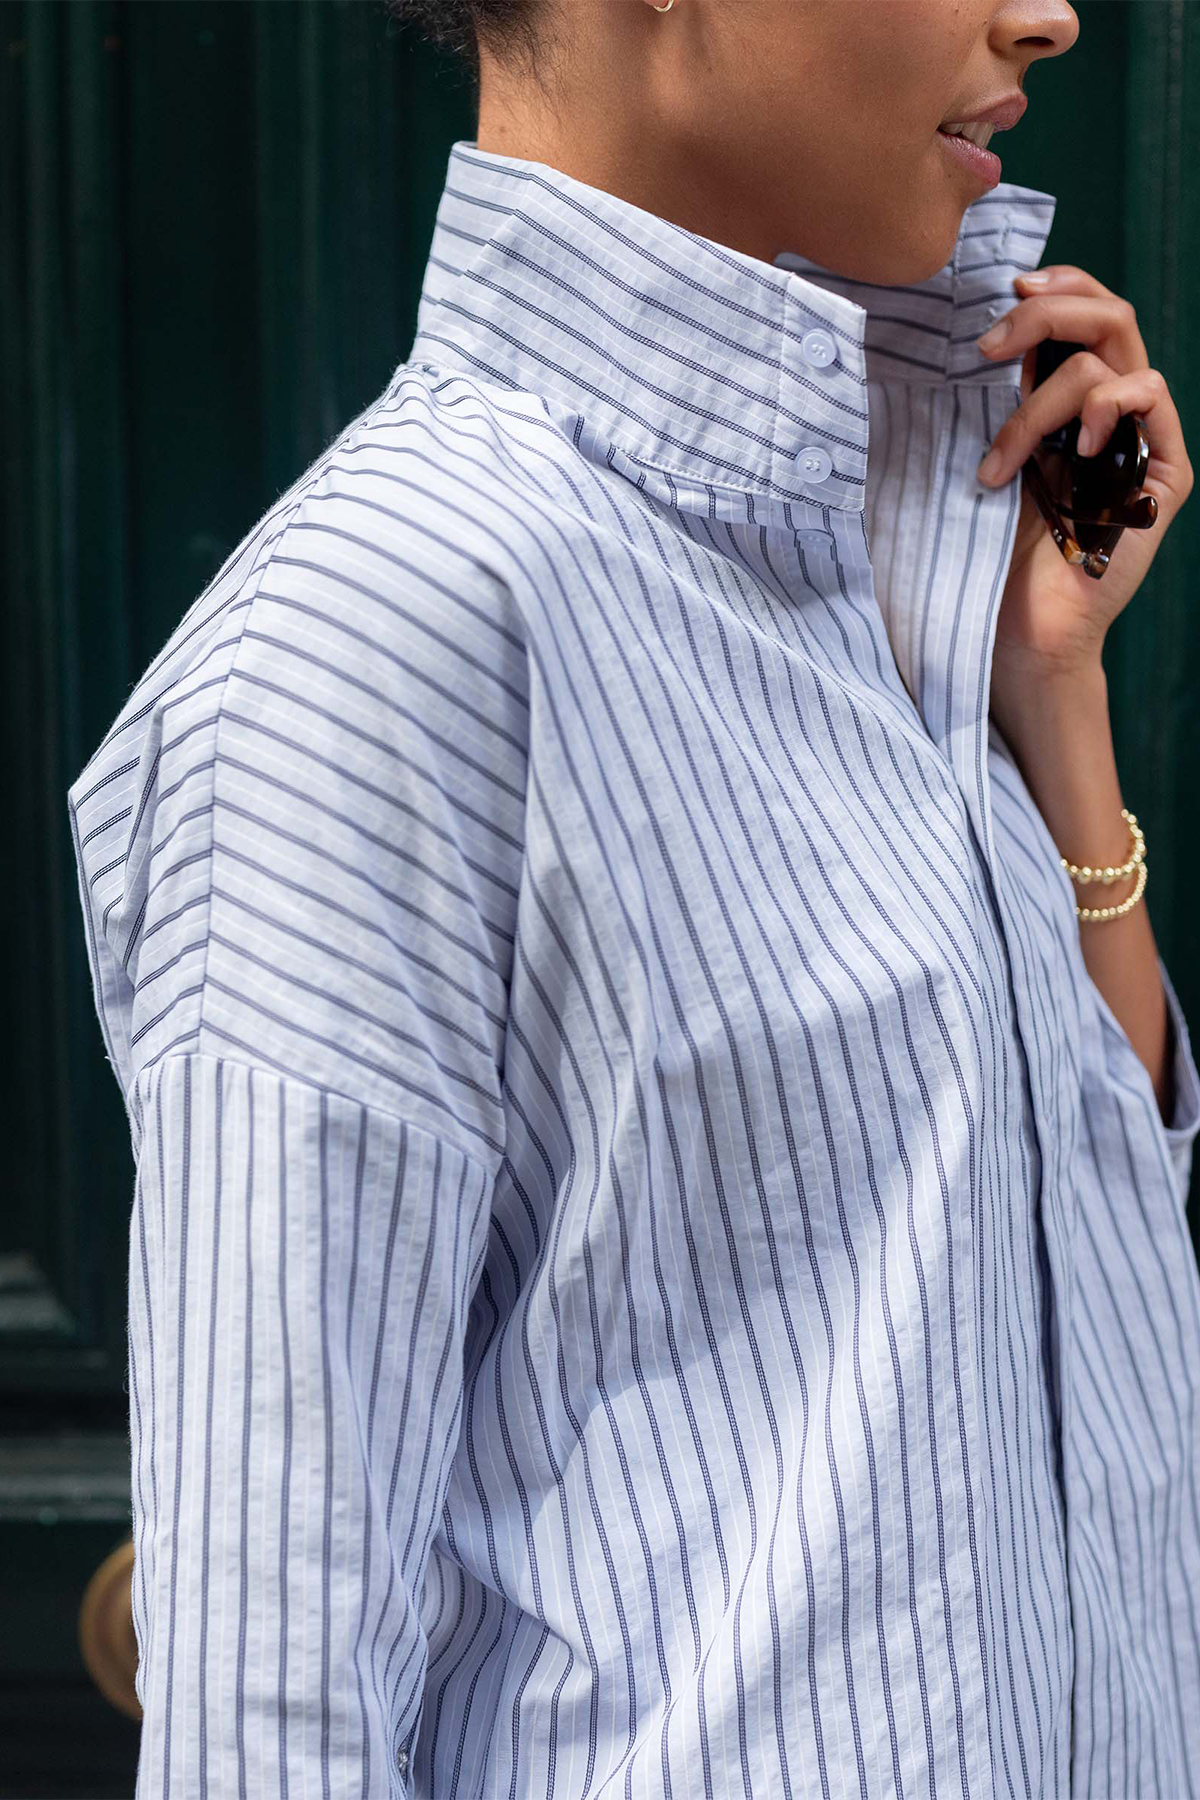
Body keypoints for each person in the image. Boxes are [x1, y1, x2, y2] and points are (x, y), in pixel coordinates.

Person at [65, 0, 1200, 1792]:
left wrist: (1055, 698)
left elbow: (1088, 1273)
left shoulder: (907, 550)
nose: (1048, 12)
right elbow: (273, 1688)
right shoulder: (376, 637)